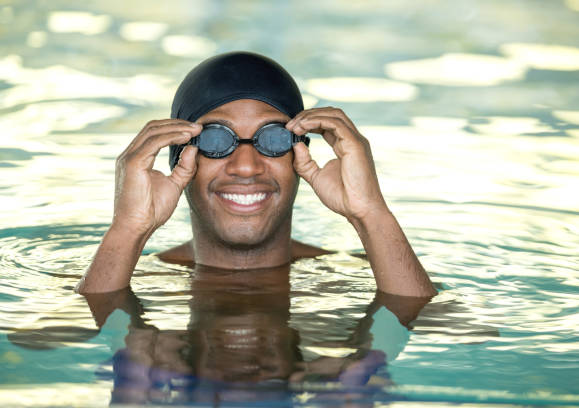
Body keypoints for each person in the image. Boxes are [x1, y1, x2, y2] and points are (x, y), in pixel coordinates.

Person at [75, 51, 436, 298]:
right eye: (216, 138)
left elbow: (464, 336)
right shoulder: (130, 274)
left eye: (273, 139)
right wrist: (127, 230)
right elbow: (42, 341)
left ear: (300, 156)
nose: (246, 166)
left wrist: (371, 214)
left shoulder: (353, 276)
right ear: (178, 156)